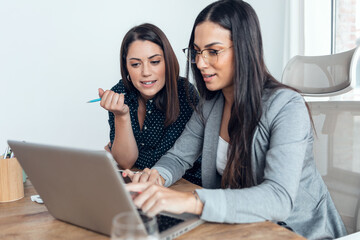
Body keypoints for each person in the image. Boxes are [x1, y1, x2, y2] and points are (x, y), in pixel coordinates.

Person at [124, 1, 347, 239]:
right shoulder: (211, 105)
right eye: (197, 52)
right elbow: (179, 156)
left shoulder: (287, 106)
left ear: (243, 48)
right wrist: (156, 177)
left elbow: (278, 198)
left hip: (295, 232)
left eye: (213, 51)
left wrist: (190, 201)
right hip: (241, 227)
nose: (200, 63)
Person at [98, 23, 201, 186]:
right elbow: (126, 163)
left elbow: (169, 158)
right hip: (141, 182)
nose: (146, 72)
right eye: (135, 64)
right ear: (126, 67)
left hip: (185, 184)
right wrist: (121, 116)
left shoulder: (184, 93)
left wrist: (112, 149)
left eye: (154, 62)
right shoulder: (119, 93)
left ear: (167, 62)